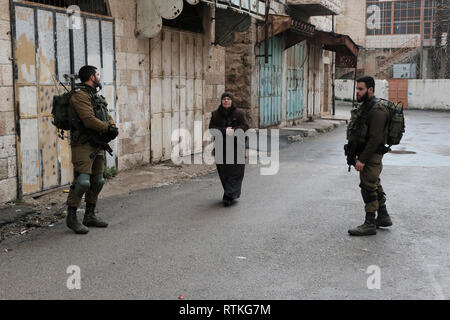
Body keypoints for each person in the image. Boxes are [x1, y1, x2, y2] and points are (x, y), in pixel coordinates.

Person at [66, 65, 119, 234]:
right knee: (82, 182)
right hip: (83, 144)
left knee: (98, 181)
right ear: (91, 77)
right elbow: (88, 119)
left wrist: (112, 126)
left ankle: (89, 215)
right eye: (97, 74)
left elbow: (106, 114)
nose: (99, 77)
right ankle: (71, 218)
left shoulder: (95, 96)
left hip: (98, 144)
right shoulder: (79, 96)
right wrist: (107, 129)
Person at [347, 76, 393, 236]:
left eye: (361, 89)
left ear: (371, 90)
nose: (357, 92)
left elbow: (375, 138)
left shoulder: (377, 110)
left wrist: (363, 160)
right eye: (357, 89)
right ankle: (383, 216)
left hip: (371, 155)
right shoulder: (367, 106)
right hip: (366, 153)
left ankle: (370, 223)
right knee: (374, 183)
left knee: (368, 186)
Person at [209, 92, 249, 207]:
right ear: (221, 101)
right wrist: (224, 130)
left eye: (228, 99)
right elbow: (212, 129)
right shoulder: (216, 114)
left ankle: (229, 195)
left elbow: (245, 126)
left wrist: (235, 130)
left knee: (235, 172)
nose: (226, 101)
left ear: (232, 101)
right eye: (224, 99)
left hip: (237, 147)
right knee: (224, 171)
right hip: (221, 147)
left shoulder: (239, 113)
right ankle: (229, 192)